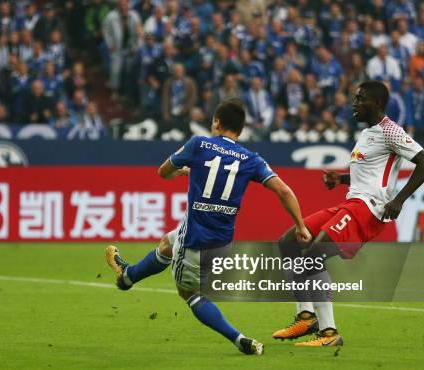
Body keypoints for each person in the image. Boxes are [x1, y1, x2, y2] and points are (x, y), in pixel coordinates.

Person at [105, 99, 311, 355]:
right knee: (167, 244)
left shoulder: (199, 144)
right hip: (222, 243)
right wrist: (301, 226)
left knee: (190, 293)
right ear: (241, 129)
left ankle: (239, 339)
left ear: (216, 122)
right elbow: (284, 190)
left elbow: (162, 172)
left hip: (195, 239)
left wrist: (178, 172)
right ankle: (127, 277)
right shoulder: (251, 158)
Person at [274, 81, 424, 346]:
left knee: (314, 254)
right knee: (288, 242)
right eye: (355, 98)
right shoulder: (367, 133)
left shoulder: (390, 131)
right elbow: (369, 175)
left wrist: (399, 200)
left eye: (361, 99)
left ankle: (328, 333)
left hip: (368, 209)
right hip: (352, 202)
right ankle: (305, 315)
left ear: (377, 104)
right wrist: (340, 179)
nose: (354, 103)